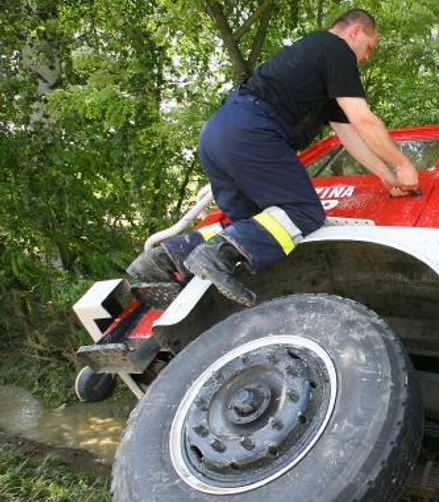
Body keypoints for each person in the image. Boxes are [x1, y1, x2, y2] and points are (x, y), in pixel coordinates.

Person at [126, 8, 418, 306]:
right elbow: (363, 119)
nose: (367, 57)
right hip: (253, 131)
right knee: (304, 212)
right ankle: (214, 256)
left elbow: (349, 134)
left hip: (217, 133)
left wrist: (385, 175)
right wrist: (403, 163)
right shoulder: (336, 49)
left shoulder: (312, 60)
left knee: (252, 226)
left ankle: (163, 259)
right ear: (355, 31)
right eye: (369, 47)